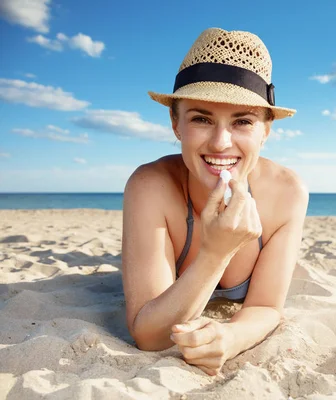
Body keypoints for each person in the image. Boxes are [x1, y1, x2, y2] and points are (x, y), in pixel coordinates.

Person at [120, 27, 309, 376]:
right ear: (175, 123)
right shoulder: (150, 186)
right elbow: (148, 336)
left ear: (266, 131)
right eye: (201, 118)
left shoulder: (287, 193)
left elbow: (267, 306)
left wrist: (233, 336)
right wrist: (215, 253)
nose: (221, 143)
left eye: (243, 122)